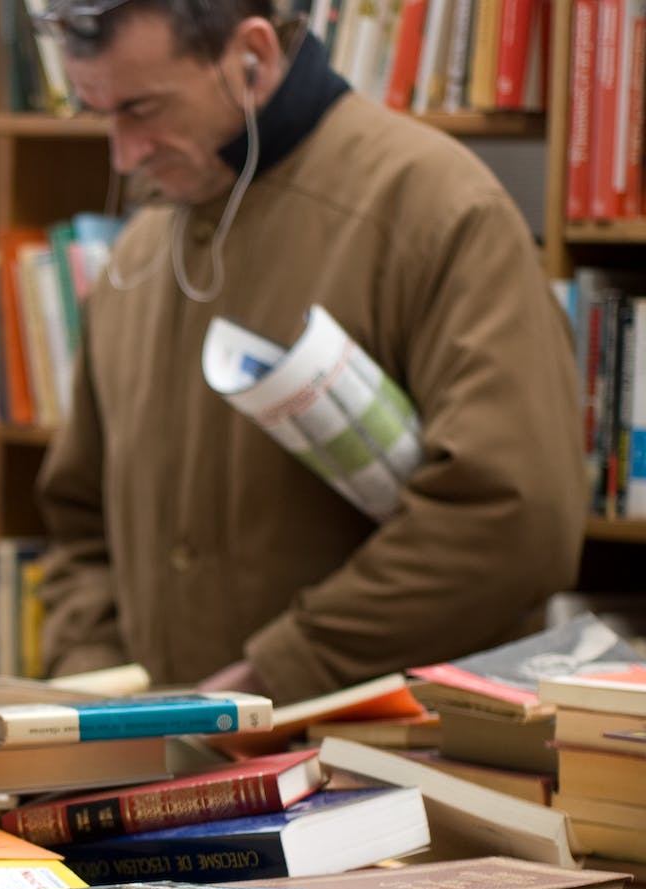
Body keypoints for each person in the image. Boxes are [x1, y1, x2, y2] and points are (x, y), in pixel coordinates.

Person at [33, 0, 585, 703]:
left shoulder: (436, 211)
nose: (123, 154)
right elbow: (80, 522)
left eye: (143, 108)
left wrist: (284, 670)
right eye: (98, 112)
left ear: (252, 55)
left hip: (382, 769)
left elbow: (512, 520)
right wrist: (93, 688)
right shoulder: (138, 254)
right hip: (156, 764)